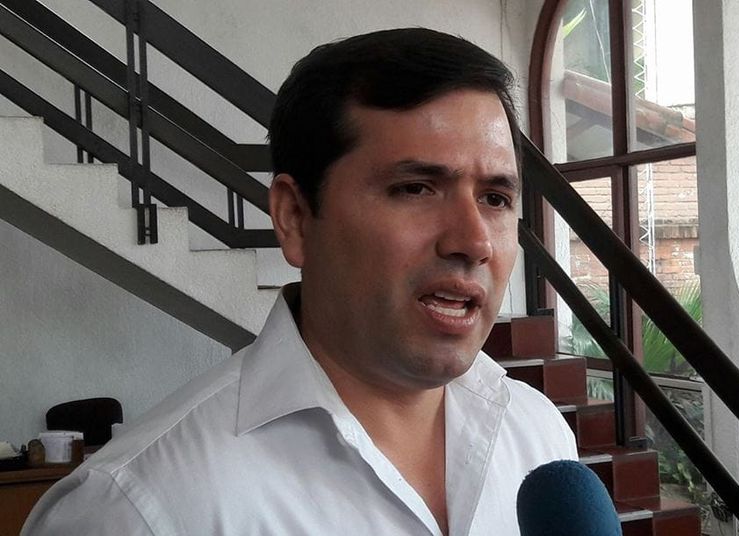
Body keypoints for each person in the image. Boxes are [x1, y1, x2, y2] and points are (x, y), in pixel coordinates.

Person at [23, 28, 577, 535]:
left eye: (495, 198)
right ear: (294, 218)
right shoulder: (134, 509)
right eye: (415, 188)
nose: (474, 241)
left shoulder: (536, 433)